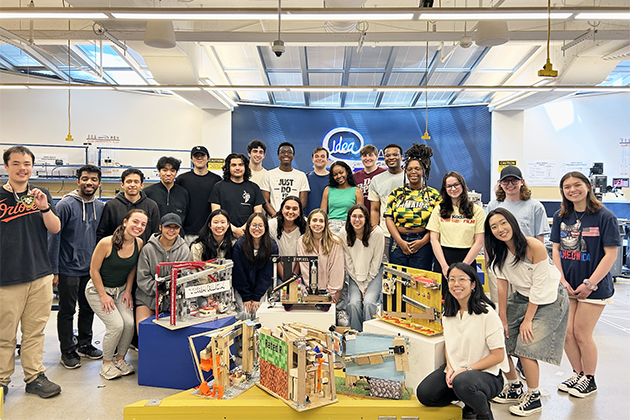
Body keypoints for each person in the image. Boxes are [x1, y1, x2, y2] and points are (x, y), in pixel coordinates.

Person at [485, 208, 569, 416]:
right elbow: (502, 285)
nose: (500, 229)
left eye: (503, 223)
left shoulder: (534, 246)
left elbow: (540, 289)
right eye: (493, 227)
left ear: (512, 222)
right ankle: (513, 386)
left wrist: (527, 320)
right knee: (498, 339)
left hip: (549, 298)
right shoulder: (498, 250)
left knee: (525, 345)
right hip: (522, 296)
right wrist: (502, 317)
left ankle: (533, 396)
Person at [551, 171, 621, 398]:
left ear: (588, 186)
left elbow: (610, 254)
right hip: (568, 285)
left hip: (594, 287)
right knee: (567, 334)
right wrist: (561, 279)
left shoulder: (604, 216)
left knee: (582, 333)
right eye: (567, 187)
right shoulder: (561, 216)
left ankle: (589, 379)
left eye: (577, 185)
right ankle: (578, 373)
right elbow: (556, 249)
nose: (572, 190)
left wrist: (590, 283)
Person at [0, 146, 62, 400]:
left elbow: (55, 229)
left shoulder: (41, 194)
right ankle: (1, 380)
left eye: (26, 163)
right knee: (4, 333)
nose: (22, 168)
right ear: (6, 167)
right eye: (16, 163)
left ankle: (34, 376)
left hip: (40, 273)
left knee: (35, 330)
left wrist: (44, 208)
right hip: (7, 277)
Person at [416, 263, 508, 420]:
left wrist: (467, 369)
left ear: (473, 284)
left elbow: (498, 355)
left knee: (463, 382)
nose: (456, 284)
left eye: (461, 279)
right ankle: (469, 401)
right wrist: (450, 367)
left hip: (487, 375)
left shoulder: (487, 313)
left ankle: (484, 412)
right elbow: (449, 342)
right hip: (458, 373)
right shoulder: (448, 312)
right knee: (425, 393)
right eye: (451, 279)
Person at [48, 164, 105, 370]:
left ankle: (84, 344)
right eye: (85, 179)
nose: (89, 183)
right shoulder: (65, 205)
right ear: (78, 181)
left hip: (90, 269)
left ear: (99, 183)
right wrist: (54, 269)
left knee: (88, 307)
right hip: (67, 268)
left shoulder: (101, 206)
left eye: (93, 179)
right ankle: (67, 350)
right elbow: (53, 237)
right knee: (67, 310)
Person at [86, 209, 147, 380]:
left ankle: (120, 359)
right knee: (116, 325)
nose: (139, 226)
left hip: (120, 290)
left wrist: (128, 290)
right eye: (135, 222)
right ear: (126, 222)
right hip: (98, 290)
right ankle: (106, 364)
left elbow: (132, 268)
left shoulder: (139, 243)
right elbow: (94, 270)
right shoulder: (107, 243)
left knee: (128, 323)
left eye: (143, 224)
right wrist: (103, 295)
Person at [428, 171, 485, 299]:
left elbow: (479, 242)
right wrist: (444, 266)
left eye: (456, 185)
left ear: (463, 186)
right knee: (443, 300)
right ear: (444, 189)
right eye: (449, 186)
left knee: (466, 300)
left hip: (467, 259)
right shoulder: (439, 209)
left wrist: (463, 268)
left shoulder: (477, 211)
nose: (453, 189)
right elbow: (434, 239)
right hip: (443, 260)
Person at [384, 143, 440, 270]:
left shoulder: (434, 195)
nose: (413, 172)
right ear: (405, 171)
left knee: (420, 281)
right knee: (397, 280)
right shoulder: (396, 193)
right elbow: (388, 218)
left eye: (417, 168)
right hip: (398, 241)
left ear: (423, 170)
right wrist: (400, 241)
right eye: (409, 169)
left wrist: (422, 242)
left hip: (423, 242)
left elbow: (437, 223)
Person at [135, 213, 190, 330]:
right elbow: (142, 278)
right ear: (160, 227)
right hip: (148, 298)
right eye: (168, 226)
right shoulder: (148, 249)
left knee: (176, 331)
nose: (171, 230)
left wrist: (171, 292)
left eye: (175, 227)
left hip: (174, 300)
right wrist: (160, 290)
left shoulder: (184, 249)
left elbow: (184, 276)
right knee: (143, 329)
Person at [338, 204, 384, 331]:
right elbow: (348, 262)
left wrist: (366, 283)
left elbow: (377, 261)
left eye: (360, 216)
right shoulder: (344, 232)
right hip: (355, 276)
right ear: (349, 218)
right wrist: (360, 284)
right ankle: (356, 334)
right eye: (354, 216)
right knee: (353, 304)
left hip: (374, 274)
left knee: (369, 303)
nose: (357, 220)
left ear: (366, 218)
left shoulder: (377, 233)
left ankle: (370, 334)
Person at [297, 209, 346, 325]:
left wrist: (331, 293)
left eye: (321, 221)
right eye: (314, 220)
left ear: (325, 224)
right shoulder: (302, 241)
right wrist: (315, 293)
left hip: (332, 292)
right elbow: (305, 270)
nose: (317, 224)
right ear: (309, 223)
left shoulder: (335, 242)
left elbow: (337, 270)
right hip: (312, 291)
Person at [231, 213, 278, 320]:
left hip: (260, 289)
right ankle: (242, 336)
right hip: (242, 289)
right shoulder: (239, 245)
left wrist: (257, 297)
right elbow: (238, 273)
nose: (257, 228)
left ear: (266, 227)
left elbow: (267, 274)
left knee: (258, 313)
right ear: (248, 227)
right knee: (245, 313)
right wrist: (246, 297)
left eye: (260, 226)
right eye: (254, 225)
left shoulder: (272, 246)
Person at [97, 168, 160, 244]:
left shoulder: (151, 206)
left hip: (143, 252)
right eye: (129, 181)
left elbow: (155, 233)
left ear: (142, 185)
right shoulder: (111, 205)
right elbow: (102, 233)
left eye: (136, 182)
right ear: (122, 185)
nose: (132, 185)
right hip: (116, 252)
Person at [210, 153, 264, 239]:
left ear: (245, 167)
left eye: (241, 165)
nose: (237, 168)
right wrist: (234, 229)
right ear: (228, 167)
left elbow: (258, 214)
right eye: (233, 165)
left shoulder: (254, 187)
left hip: (247, 235)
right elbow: (216, 214)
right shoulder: (218, 187)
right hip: (225, 235)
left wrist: (243, 229)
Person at [175, 146, 221, 246]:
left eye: (202, 156)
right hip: (187, 232)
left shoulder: (217, 180)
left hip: (209, 232)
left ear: (208, 158)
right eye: (196, 156)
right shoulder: (182, 180)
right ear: (191, 159)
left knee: (208, 261)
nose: (199, 158)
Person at [368, 143, 404, 260]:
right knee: (387, 271)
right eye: (388, 155)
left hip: (408, 234)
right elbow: (374, 209)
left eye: (395, 155)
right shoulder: (377, 180)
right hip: (385, 235)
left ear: (401, 157)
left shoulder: (411, 177)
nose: (391, 157)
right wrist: (374, 231)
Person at [260, 142, 310, 217]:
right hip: (274, 220)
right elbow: (265, 201)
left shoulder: (301, 176)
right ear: (278, 156)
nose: (286, 154)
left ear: (293, 156)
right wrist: (276, 216)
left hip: (294, 219)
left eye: (289, 152)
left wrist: (292, 215)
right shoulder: (269, 175)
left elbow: (303, 202)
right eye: (283, 152)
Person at [321, 161, 363, 235]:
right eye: (335, 174)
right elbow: (322, 213)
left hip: (349, 226)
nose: (339, 176)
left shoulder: (356, 191)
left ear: (347, 172)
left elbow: (360, 214)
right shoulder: (328, 189)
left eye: (341, 172)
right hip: (331, 226)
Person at [143, 156, 189, 223]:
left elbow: (185, 214)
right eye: (164, 170)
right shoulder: (147, 192)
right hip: (154, 232)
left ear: (176, 172)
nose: (168, 174)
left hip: (176, 232)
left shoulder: (183, 193)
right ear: (159, 171)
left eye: (172, 170)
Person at [353, 144, 385, 214]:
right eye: (364, 156)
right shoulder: (354, 176)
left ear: (377, 157)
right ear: (361, 158)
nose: (367, 158)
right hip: (361, 216)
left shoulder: (384, 174)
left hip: (381, 215)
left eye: (370, 155)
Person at [305, 146, 330, 215]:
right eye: (316, 156)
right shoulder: (305, 178)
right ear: (313, 159)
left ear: (327, 159)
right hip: (308, 218)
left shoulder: (333, 179)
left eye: (322, 156)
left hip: (329, 219)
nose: (319, 159)